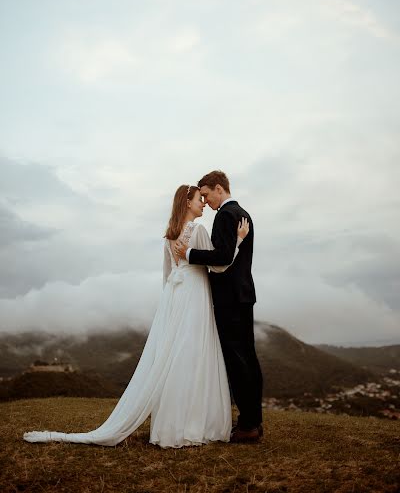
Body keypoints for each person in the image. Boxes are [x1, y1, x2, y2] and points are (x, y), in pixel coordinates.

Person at [23, 184, 249, 448]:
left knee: (174, 356)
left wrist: (170, 304)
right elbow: (218, 265)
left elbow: (168, 275)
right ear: (187, 202)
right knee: (194, 355)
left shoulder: (169, 236)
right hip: (195, 297)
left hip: (176, 297)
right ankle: (195, 423)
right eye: (199, 199)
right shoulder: (197, 231)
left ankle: (173, 425)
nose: (202, 204)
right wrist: (239, 240)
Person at [175, 171, 263, 442]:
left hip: (230, 299)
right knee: (248, 359)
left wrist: (187, 253)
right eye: (200, 196)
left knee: (238, 362)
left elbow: (222, 259)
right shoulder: (242, 212)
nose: (205, 200)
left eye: (205, 194)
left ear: (218, 189)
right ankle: (252, 421)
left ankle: (248, 426)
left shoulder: (225, 215)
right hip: (243, 296)